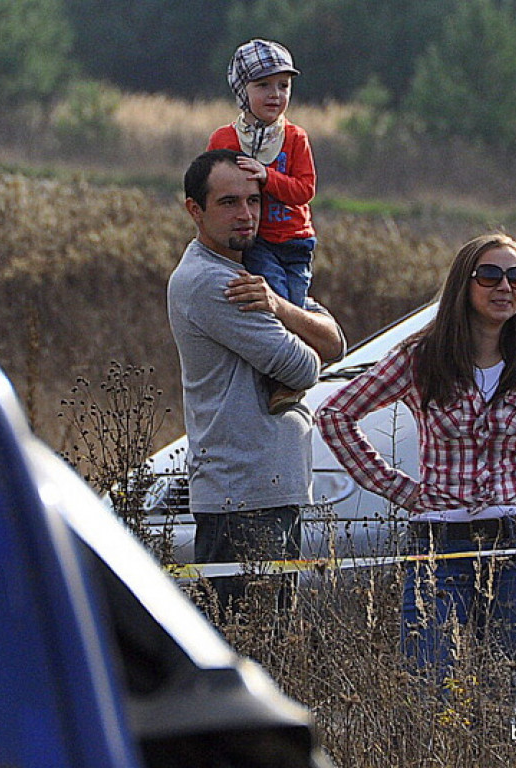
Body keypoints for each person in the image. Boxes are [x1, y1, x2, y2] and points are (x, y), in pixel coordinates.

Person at [315, 233, 516, 717]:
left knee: (499, 696)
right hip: (440, 542)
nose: (505, 288)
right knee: (430, 692)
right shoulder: (422, 358)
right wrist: (401, 489)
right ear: (464, 285)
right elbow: (336, 415)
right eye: (490, 276)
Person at [167, 149, 344, 614]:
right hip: (241, 496)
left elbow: (334, 342)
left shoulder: (259, 277)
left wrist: (281, 307)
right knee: (249, 645)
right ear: (195, 210)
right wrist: (292, 319)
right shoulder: (214, 282)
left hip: (273, 487)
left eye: (254, 200)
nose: (246, 215)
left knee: (272, 645)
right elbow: (304, 367)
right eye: (228, 202)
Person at [208, 39, 318, 414]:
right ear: (243, 90)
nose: (275, 95)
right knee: (273, 303)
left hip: (296, 241)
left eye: (283, 86)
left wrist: (268, 177)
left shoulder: (295, 138)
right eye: (263, 86)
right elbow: (211, 186)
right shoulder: (225, 139)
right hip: (258, 241)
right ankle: (281, 379)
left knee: (296, 305)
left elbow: (304, 190)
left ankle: (291, 380)